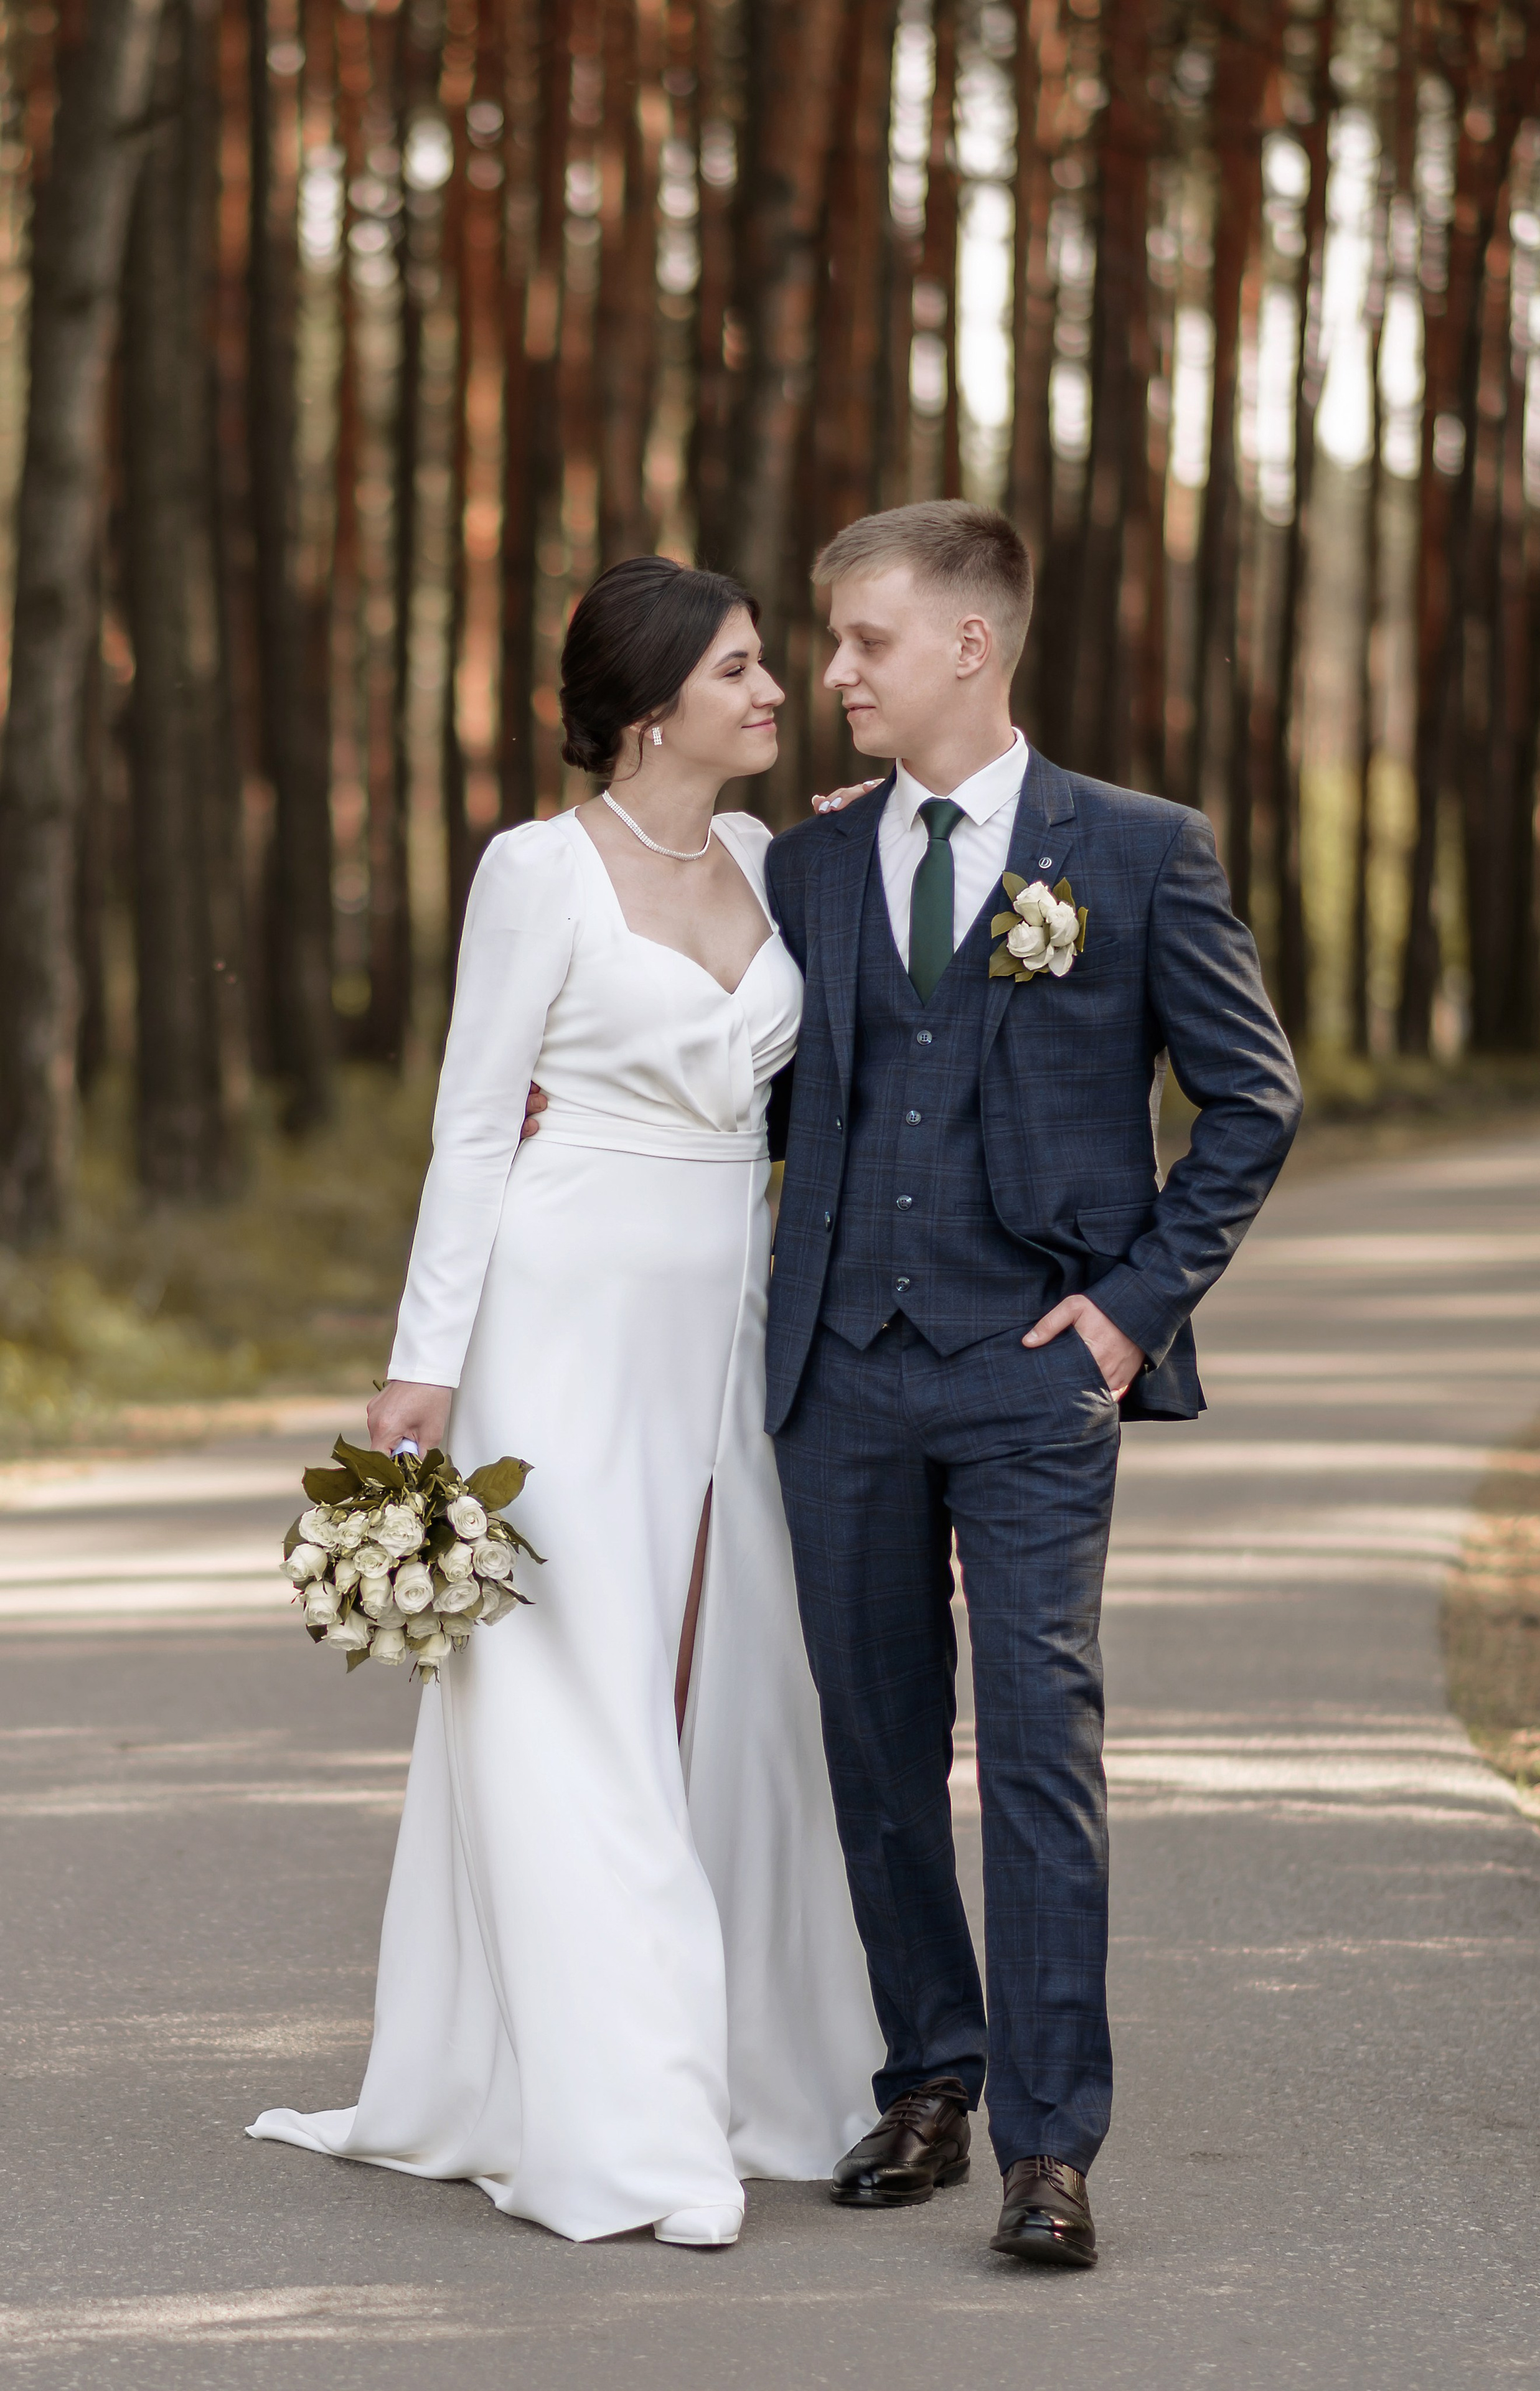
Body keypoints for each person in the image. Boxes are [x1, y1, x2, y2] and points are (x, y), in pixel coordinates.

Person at [248, 555, 883, 2249]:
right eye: (745, 671)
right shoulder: (535, 873)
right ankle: (628, 2124)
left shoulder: (765, 856)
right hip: (562, 1306)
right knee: (574, 1696)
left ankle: (759, 2069)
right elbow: (472, 1122)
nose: (775, 692)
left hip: (720, 1319)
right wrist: (425, 1359)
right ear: (653, 703)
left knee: (733, 1681)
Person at [762, 501, 1303, 2267]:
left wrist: (1133, 1307)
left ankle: (1050, 2142)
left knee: (1042, 1748)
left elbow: (1253, 1099)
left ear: (969, 648)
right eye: (830, 643)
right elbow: (771, 1099)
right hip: (841, 1367)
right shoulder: (815, 865)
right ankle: (931, 2072)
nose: (832, 673)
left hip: (1033, 1370)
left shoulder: (1137, 852)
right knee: (876, 1743)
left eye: (864, 642)